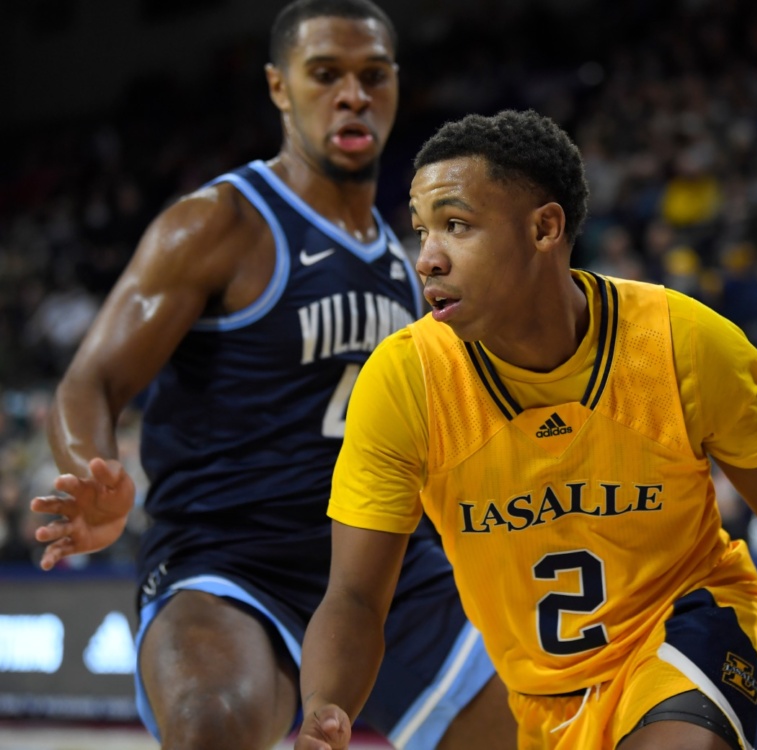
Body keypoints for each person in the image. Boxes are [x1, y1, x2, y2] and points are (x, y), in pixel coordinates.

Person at [295, 109, 757, 750]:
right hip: (542, 696)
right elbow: (355, 596)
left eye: (456, 225)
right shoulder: (405, 383)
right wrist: (325, 712)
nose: (427, 256)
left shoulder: (681, 343)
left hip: (695, 629)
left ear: (544, 228)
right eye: (422, 229)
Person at [29, 2, 516, 748]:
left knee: (537, 730)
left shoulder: (403, 261)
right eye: (325, 74)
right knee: (213, 724)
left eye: (372, 76)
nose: (352, 95)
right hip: (231, 559)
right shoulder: (220, 222)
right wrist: (90, 470)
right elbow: (90, 381)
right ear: (279, 87)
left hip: (378, 564)